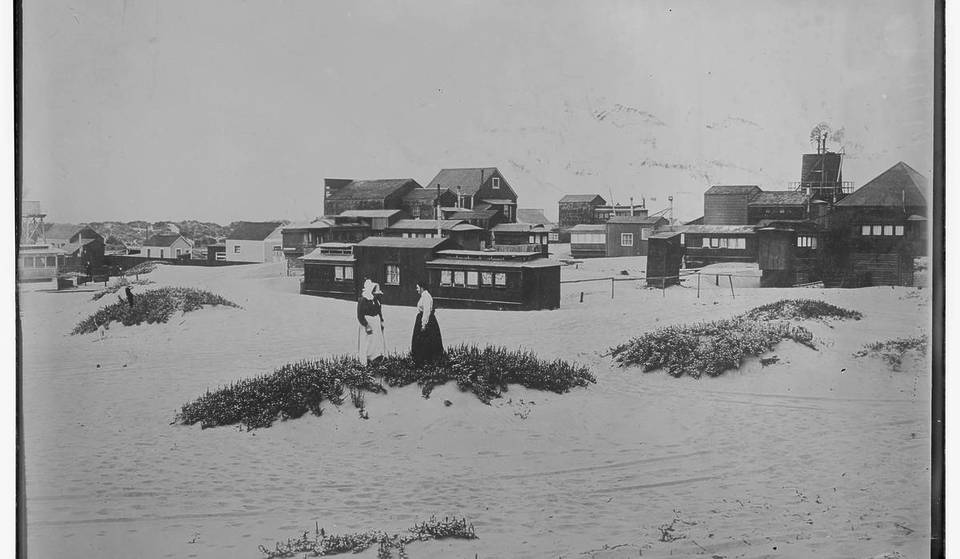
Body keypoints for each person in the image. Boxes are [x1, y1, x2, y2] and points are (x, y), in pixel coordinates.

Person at [411, 281, 443, 365]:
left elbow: (426, 311)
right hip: (422, 319)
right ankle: (422, 359)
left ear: (422, 288)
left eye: (417, 287)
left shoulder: (426, 296)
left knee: (426, 339)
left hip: (427, 321)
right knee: (423, 340)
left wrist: (423, 324)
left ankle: (426, 359)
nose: (416, 289)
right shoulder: (424, 296)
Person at [357, 278, 385, 364]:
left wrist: (381, 321)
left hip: (375, 323)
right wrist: (366, 325)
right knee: (367, 341)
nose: (377, 294)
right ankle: (366, 359)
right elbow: (360, 315)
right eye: (375, 293)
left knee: (376, 341)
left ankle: (375, 357)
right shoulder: (362, 300)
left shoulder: (376, 300)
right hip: (368, 324)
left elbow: (379, 311)